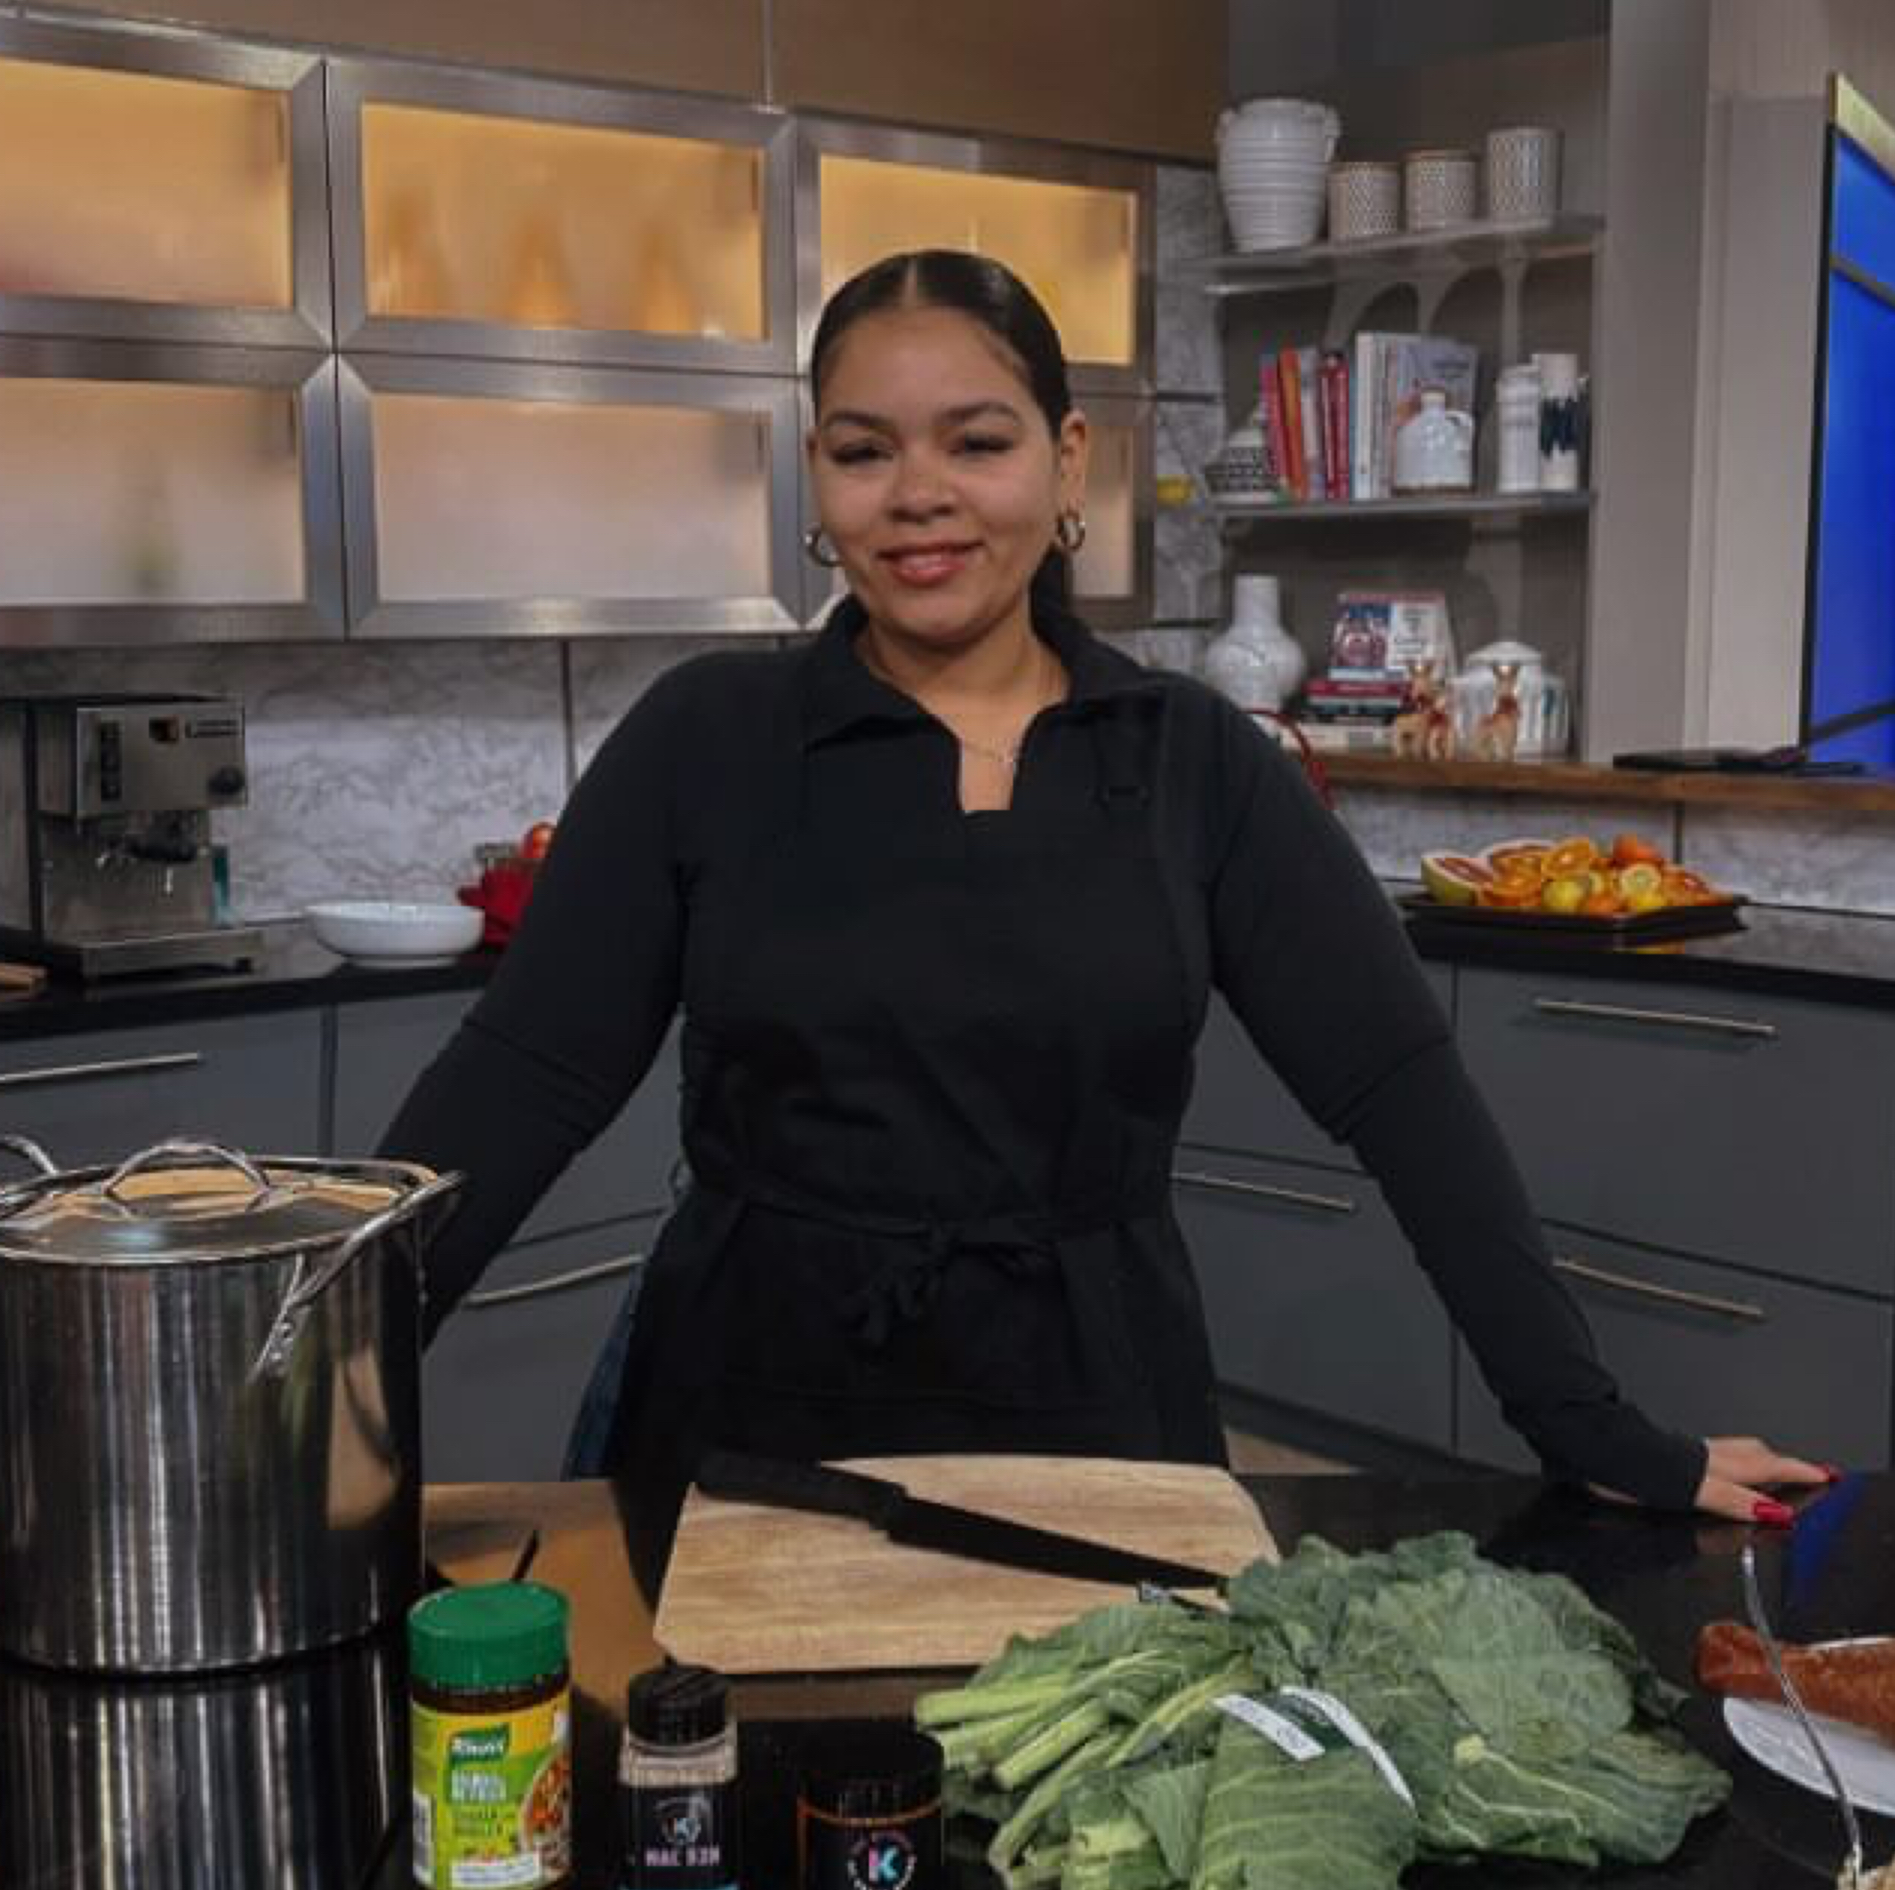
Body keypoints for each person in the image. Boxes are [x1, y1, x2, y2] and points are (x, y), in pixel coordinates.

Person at [381, 248, 1827, 1525]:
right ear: (814, 479)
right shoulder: (709, 737)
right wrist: (309, 1413)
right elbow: (519, 1084)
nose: (920, 496)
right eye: (865, 450)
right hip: (747, 1426)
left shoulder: (1197, 760)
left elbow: (1403, 1092)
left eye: (979, 441)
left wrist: (1593, 1428)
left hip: (1103, 1430)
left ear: (1071, 463)